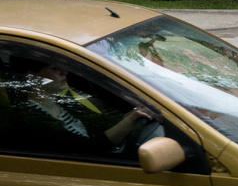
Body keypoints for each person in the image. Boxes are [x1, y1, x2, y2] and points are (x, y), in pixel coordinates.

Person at [19, 62, 153, 154]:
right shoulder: (32, 117)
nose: (64, 72)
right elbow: (87, 148)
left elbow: (95, 130)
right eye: (54, 68)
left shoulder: (61, 102)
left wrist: (126, 119)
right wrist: (129, 121)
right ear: (32, 77)